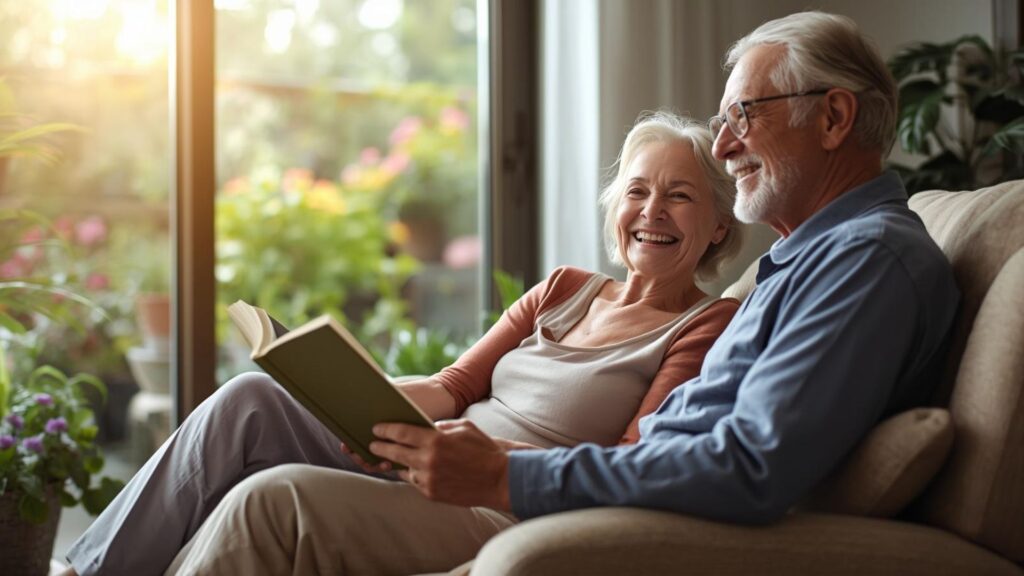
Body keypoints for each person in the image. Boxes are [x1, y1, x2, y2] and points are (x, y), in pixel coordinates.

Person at [163, 10, 961, 574]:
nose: (725, 144)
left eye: (743, 115)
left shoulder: (865, 263)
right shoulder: (806, 259)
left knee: (273, 505)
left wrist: (509, 475)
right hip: (572, 485)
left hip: (600, 514)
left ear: (833, 119)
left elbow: (750, 466)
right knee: (252, 417)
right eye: (724, 120)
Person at [62, 112, 743, 576]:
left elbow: (633, 463)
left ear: (717, 226)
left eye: (679, 197)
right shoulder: (565, 287)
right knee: (251, 398)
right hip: (430, 449)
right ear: (614, 207)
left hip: (495, 499)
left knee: (274, 497)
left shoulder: (702, 328)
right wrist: (347, 397)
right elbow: (452, 385)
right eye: (637, 191)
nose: (651, 212)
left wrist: (490, 459)